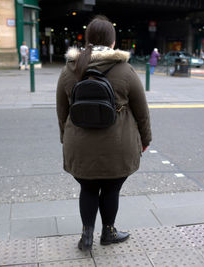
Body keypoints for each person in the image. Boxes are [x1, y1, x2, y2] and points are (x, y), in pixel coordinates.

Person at [56, 16, 152, 252]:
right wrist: (145, 140)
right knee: (111, 188)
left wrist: (65, 138)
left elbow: (62, 112)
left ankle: (86, 236)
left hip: (79, 145)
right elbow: (142, 112)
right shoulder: (125, 70)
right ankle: (108, 232)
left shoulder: (70, 69)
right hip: (118, 146)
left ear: (87, 39)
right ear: (113, 41)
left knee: (87, 188)